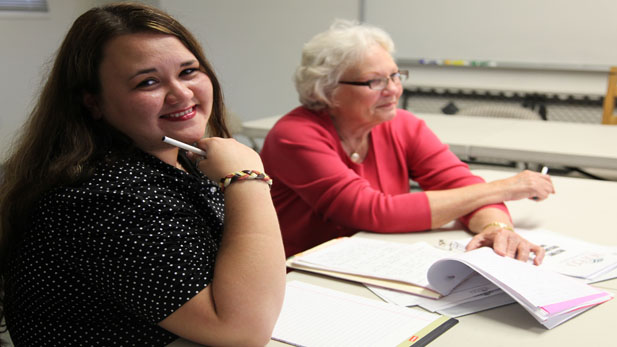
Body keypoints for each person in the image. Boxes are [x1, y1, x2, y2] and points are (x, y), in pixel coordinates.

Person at [0, 3, 285, 346]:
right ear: (94, 103)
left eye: (188, 71)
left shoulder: (186, 157)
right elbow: (243, 331)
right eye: (148, 82)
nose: (182, 94)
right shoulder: (99, 197)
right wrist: (248, 179)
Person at [260, 19, 555, 262]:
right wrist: (502, 188)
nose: (393, 90)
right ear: (327, 90)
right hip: (302, 275)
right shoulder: (295, 136)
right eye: (375, 81)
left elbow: (461, 186)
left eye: (395, 76)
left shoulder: (402, 125)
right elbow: (371, 211)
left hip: (375, 260)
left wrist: (497, 227)